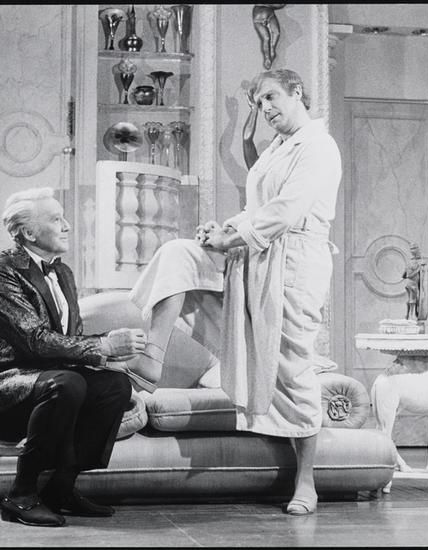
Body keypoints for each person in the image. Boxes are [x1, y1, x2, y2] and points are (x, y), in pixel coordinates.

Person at [119, 68, 342, 516]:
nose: (266, 109)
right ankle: (151, 359)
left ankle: (306, 480)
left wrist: (232, 238)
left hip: (295, 262)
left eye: (271, 97)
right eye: (259, 103)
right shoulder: (276, 149)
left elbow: (285, 211)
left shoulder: (318, 145)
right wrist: (222, 229)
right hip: (256, 251)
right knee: (180, 253)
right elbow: (256, 209)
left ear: (297, 92)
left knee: (292, 367)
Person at [0, 187, 147, 527]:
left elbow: (68, 339)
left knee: (115, 386)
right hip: (1, 394)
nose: (67, 226)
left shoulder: (63, 273)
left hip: (51, 387)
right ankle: (20, 496)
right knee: (67, 384)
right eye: (56, 219)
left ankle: (61, 488)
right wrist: (103, 346)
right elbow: (34, 340)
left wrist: (107, 355)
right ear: (29, 233)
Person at [402, 243, 424, 320]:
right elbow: (409, 275)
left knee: (409, 299)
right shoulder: (417, 263)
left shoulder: (409, 262)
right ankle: (412, 316)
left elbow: (404, 275)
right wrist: (418, 269)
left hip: (408, 283)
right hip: (413, 283)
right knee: (413, 299)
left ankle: (407, 315)